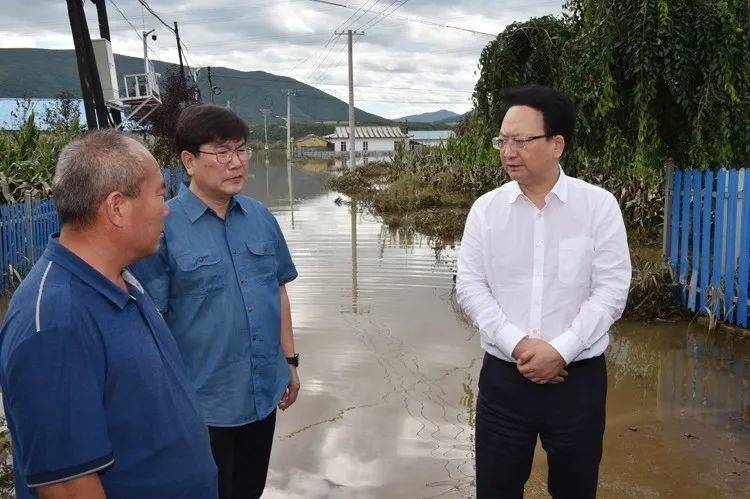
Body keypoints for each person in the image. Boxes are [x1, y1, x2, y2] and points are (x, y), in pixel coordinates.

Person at [0, 130, 217, 499]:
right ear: (117, 208)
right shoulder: (54, 323)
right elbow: (69, 487)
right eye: (160, 193)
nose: (167, 208)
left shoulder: (122, 279)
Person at [456, 85, 631, 498]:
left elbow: (611, 289)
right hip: (504, 380)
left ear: (557, 144)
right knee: (496, 489)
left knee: (575, 488)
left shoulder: (598, 206)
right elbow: (470, 285)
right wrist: (518, 345)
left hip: (577, 381)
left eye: (521, 140)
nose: (508, 150)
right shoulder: (485, 211)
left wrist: (561, 350)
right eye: (503, 140)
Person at [132, 104, 300, 499]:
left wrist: (290, 362)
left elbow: (278, 289)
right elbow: (150, 321)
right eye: (221, 152)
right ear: (189, 161)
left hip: (262, 392)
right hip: (200, 407)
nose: (236, 162)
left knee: (249, 490)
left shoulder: (261, 217)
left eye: (242, 150)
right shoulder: (162, 228)